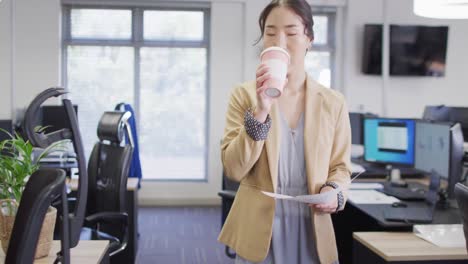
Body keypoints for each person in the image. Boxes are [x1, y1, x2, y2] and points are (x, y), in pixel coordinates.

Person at [218, 0, 351, 263]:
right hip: (259, 232)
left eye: (291, 32)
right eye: (270, 33)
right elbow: (233, 169)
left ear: (309, 39)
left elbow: (341, 168)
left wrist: (336, 191)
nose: (280, 41)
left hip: (312, 228)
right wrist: (261, 110)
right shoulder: (244, 96)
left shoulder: (332, 102)